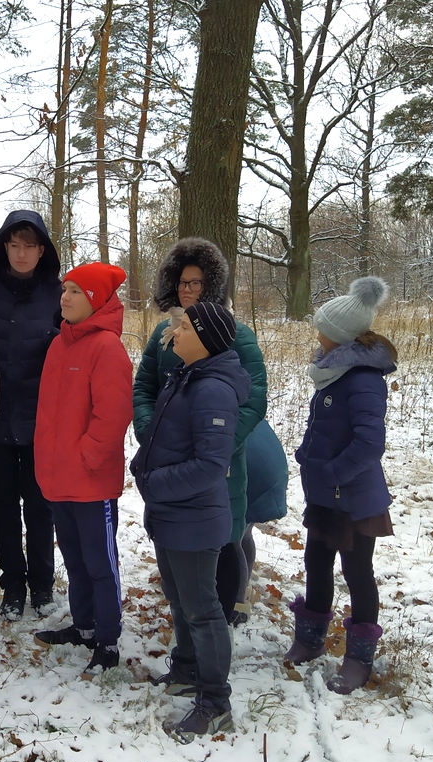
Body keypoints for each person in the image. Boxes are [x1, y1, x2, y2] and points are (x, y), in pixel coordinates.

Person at [131, 302, 250, 740]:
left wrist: (155, 482)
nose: (174, 330)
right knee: (180, 603)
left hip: (194, 519)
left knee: (203, 611)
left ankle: (216, 703)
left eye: (183, 325)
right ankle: (185, 670)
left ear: (205, 337)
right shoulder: (186, 376)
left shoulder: (213, 390)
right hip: (170, 514)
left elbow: (209, 465)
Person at [132, 238, 267, 622]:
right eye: (182, 282)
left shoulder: (235, 334)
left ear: (210, 287)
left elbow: (255, 399)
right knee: (179, 538)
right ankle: (194, 621)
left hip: (218, 460)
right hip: (171, 459)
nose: (187, 290)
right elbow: (144, 388)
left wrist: (220, 446)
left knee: (227, 537)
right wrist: (150, 431)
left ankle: (227, 611)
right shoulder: (165, 333)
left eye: (195, 283)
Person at [286, 276, 395, 694]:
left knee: (357, 571)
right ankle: (310, 640)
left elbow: (369, 444)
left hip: (353, 497)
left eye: (323, 329)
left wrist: (330, 472)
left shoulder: (363, 378)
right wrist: (306, 455)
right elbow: (324, 427)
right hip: (325, 494)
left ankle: (358, 658)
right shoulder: (332, 372)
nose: (317, 335)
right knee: (316, 561)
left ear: (340, 337)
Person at [32, 262, 132, 680]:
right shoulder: (60, 344)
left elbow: (113, 416)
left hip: (90, 482)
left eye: (74, 291)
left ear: (94, 300)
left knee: (99, 563)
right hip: (58, 479)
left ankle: (107, 640)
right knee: (73, 560)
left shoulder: (107, 348)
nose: (65, 297)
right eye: (64, 290)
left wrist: (86, 458)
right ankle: (84, 625)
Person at [0, 211, 61, 618]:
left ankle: (41, 583)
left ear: (42, 251)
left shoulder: (60, 293)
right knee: (3, 505)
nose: (22, 253)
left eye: (30, 245)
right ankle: (13, 585)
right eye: (14, 244)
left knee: (40, 506)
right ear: (4, 247)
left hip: (43, 420)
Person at [224, 420, 288, 627]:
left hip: (252, 470)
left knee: (232, 539)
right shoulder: (238, 396)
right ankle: (239, 595)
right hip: (267, 466)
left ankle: (236, 605)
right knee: (243, 533)